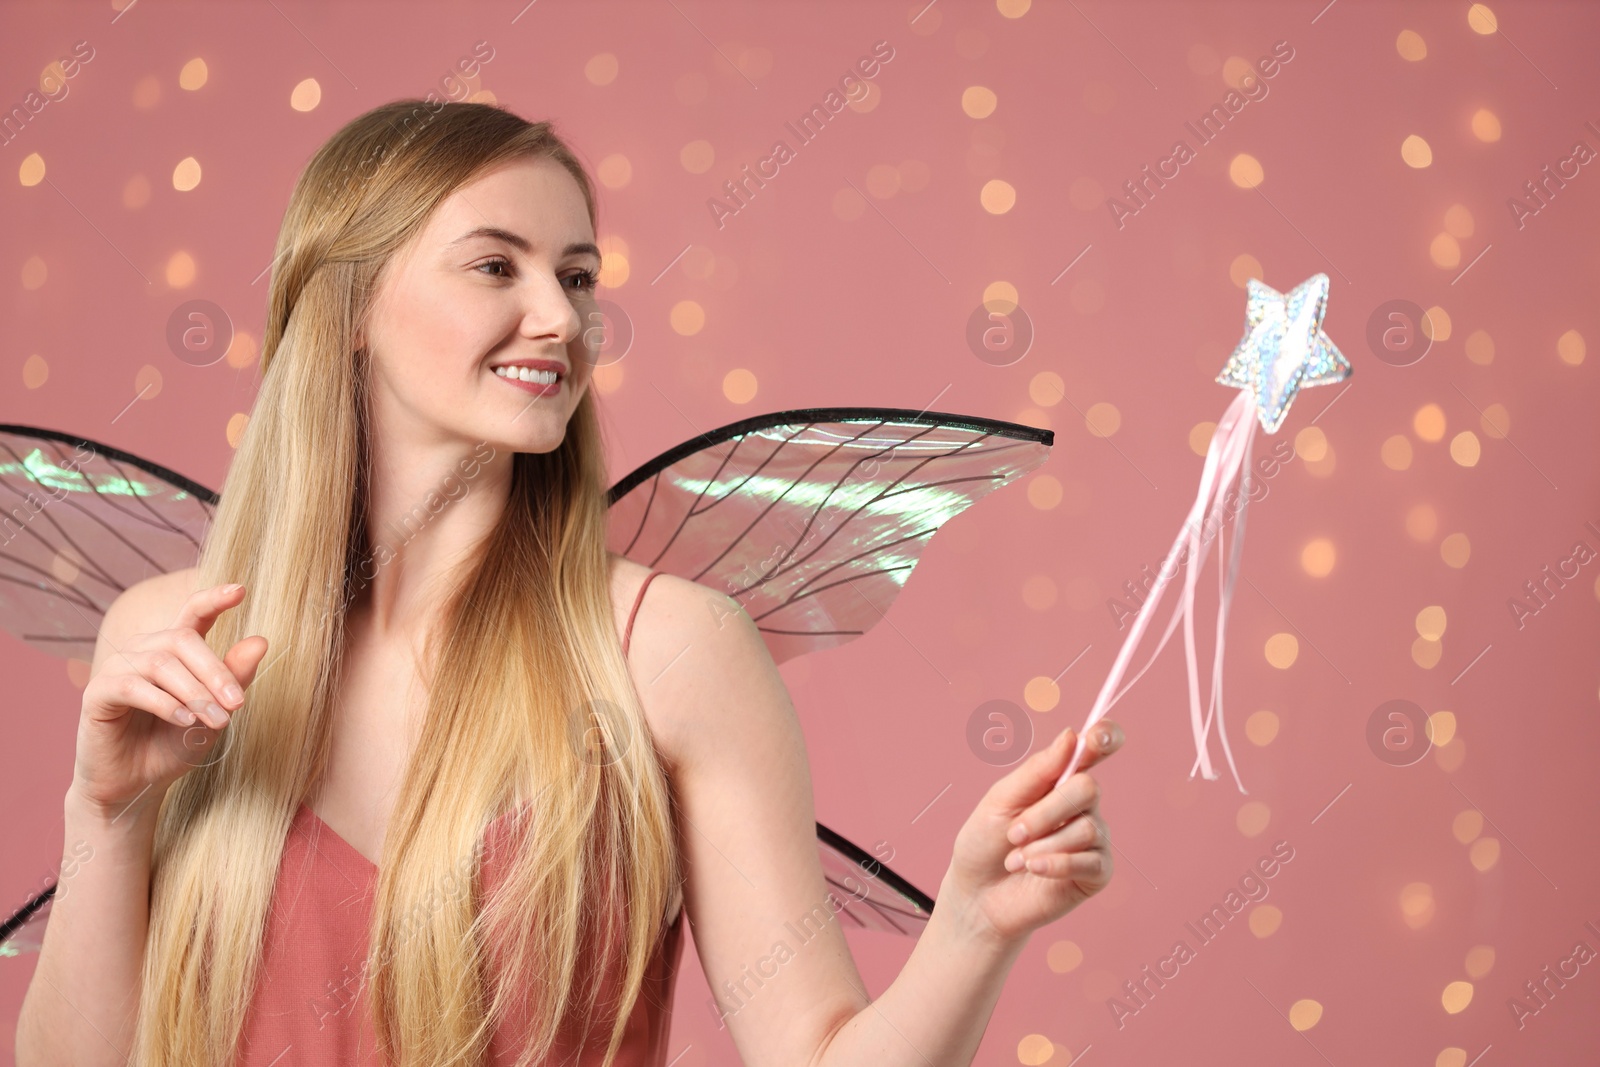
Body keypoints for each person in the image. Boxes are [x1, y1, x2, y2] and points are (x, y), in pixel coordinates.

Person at [14, 98, 1125, 1067]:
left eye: (577, 275)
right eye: (498, 265)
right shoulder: (178, 639)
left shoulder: (667, 649)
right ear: (350, 307)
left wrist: (974, 923)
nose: (560, 316)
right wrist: (106, 810)